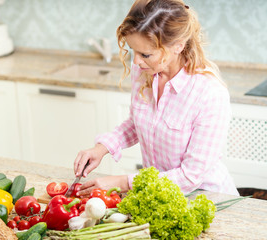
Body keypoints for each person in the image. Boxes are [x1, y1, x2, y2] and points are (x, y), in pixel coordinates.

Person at [74, 0, 239, 198]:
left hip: (207, 198)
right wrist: (102, 148)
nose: (135, 61)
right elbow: (139, 124)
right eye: (133, 51)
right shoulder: (145, 70)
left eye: (145, 54)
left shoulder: (209, 93)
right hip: (157, 194)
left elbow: (190, 176)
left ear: (178, 46)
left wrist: (122, 182)